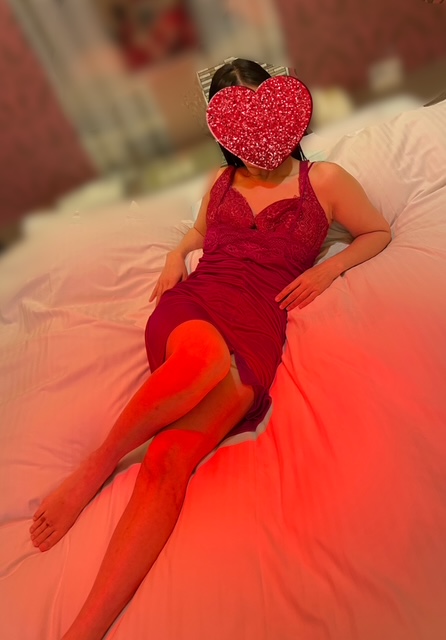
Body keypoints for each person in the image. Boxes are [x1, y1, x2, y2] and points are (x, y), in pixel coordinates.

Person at [29, 58, 392, 640]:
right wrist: (176, 254)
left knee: (167, 462)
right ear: (224, 130)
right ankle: (97, 464)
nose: (257, 143)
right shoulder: (221, 184)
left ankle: (84, 630)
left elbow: (378, 231)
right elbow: (200, 233)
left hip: (256, 327)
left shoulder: (323, 180)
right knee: (201, 360)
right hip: (195, 306)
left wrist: (330, 269)